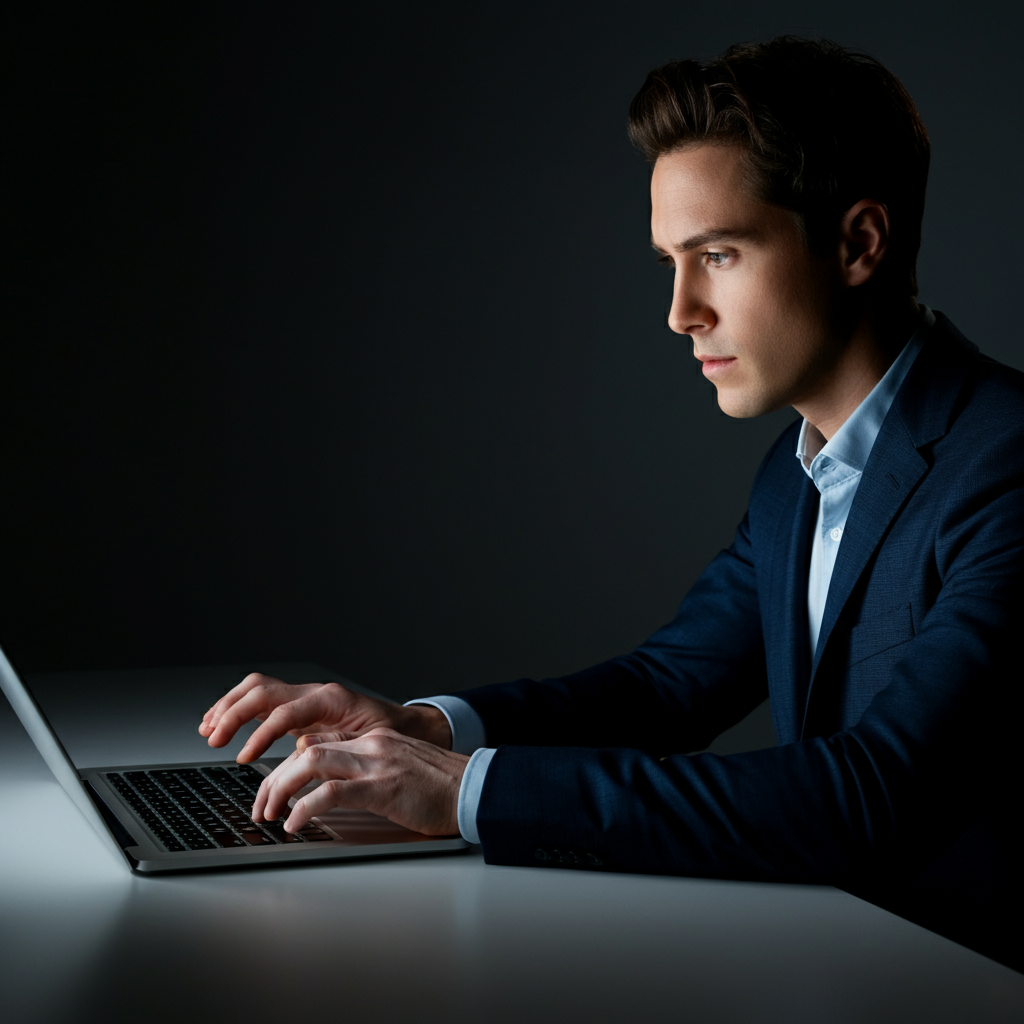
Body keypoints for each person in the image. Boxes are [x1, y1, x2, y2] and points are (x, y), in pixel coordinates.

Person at [199, 38, 1023, 969]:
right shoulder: (793, 477)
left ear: (858, 243)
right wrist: (422, 732)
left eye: (718, 254)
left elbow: (876, 794)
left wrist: (468, 791)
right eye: (671, 259)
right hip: (848, 965)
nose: (680, 310)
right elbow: (666, 688)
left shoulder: (1008, 461)